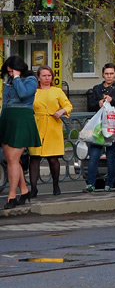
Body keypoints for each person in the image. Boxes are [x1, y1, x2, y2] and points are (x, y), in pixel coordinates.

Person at [1, 56, 40, 209]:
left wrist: (17, 78)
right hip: (8, 118)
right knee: (11, 160)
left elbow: (23, 95)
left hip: (22, 118)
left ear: (19, 68)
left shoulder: (31, 79)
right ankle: (24, 191)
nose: (10, 74)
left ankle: (12, 196)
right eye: (9, 72)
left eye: (12, 71)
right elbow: (5, 102)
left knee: (13, 159)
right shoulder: (9, 81)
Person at [28, 66, 71, 197]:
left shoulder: (57, 91)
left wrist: (62, 111)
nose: (47, 78)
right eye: (44, 75)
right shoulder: (33, 92)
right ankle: (33, 188)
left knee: (53, 158)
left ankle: (56, 185)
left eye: (49, 75)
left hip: (53, 126)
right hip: (37, 125)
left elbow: (68, 105)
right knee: (35, 158)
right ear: (38, 77)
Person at [85, 62, 115, 193]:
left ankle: (110, 183)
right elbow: (90, 106)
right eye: (107, 74)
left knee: (112, 156)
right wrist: (98, 103)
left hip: (112, 126)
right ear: (103, 74)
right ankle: (91, 183)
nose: (109, 76)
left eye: (111, 74)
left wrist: (112, 101)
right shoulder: (97, 88)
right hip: (98, 127)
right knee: (94, 155)